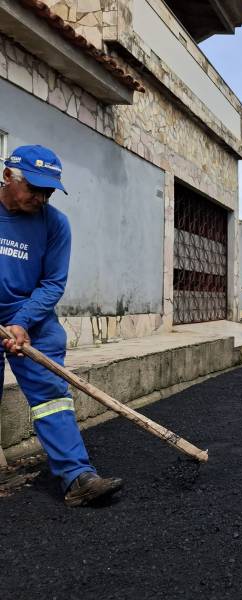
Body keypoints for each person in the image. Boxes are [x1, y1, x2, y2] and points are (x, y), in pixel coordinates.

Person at [0, 145, 122, 507]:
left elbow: (53, 283)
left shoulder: (56, 224)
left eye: (48, 191)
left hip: (31, 318)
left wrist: (22, 322)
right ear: (8, 176)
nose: (41, 197)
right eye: (34, 188)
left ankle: (76, 476)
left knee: (52, 397)